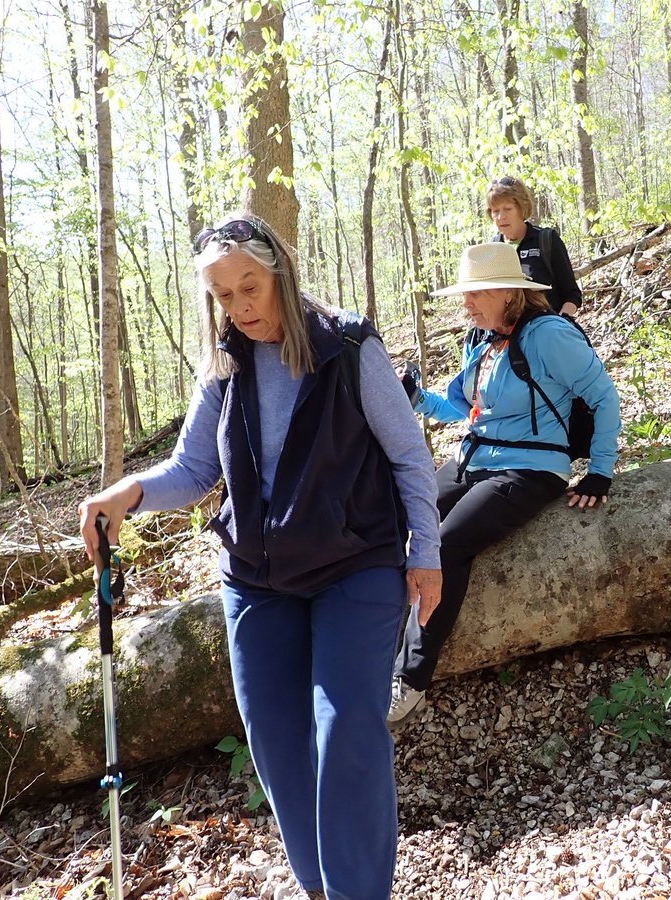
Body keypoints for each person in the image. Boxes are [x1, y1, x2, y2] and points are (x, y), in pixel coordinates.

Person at [78, 213, 442, 900]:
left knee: (346, 731)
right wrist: (127, 492)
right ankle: (320, 886)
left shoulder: (347, 345)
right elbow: (192, 470)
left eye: (250, 287)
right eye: (223, 294)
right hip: (256, 576)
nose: (241, 307)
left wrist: (427, 551)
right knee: (275, 743)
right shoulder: (225, 359)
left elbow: (409, 456)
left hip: (355, 562)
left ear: (279, 272)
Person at [388, 242, 620, 730]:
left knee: (445, 546)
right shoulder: (483, 342)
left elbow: (603, 396)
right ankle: (374, 650)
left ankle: (410, 680)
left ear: (508, 293)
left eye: (474, 294)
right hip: (474, 458)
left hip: (529, 469)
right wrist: (414, 397)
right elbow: (458, 406)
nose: (465, 304)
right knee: (401, 521)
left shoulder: (550, 335)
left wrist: (599, 470)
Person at [486, 175, 583, 317]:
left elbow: (572, 295)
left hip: (547, 330)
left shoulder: (546, 240)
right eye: (495, 211)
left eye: (508, 209)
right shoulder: (493, 248)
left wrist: (561, 322)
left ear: (521, 208)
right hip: (508, 336)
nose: (501, 217)